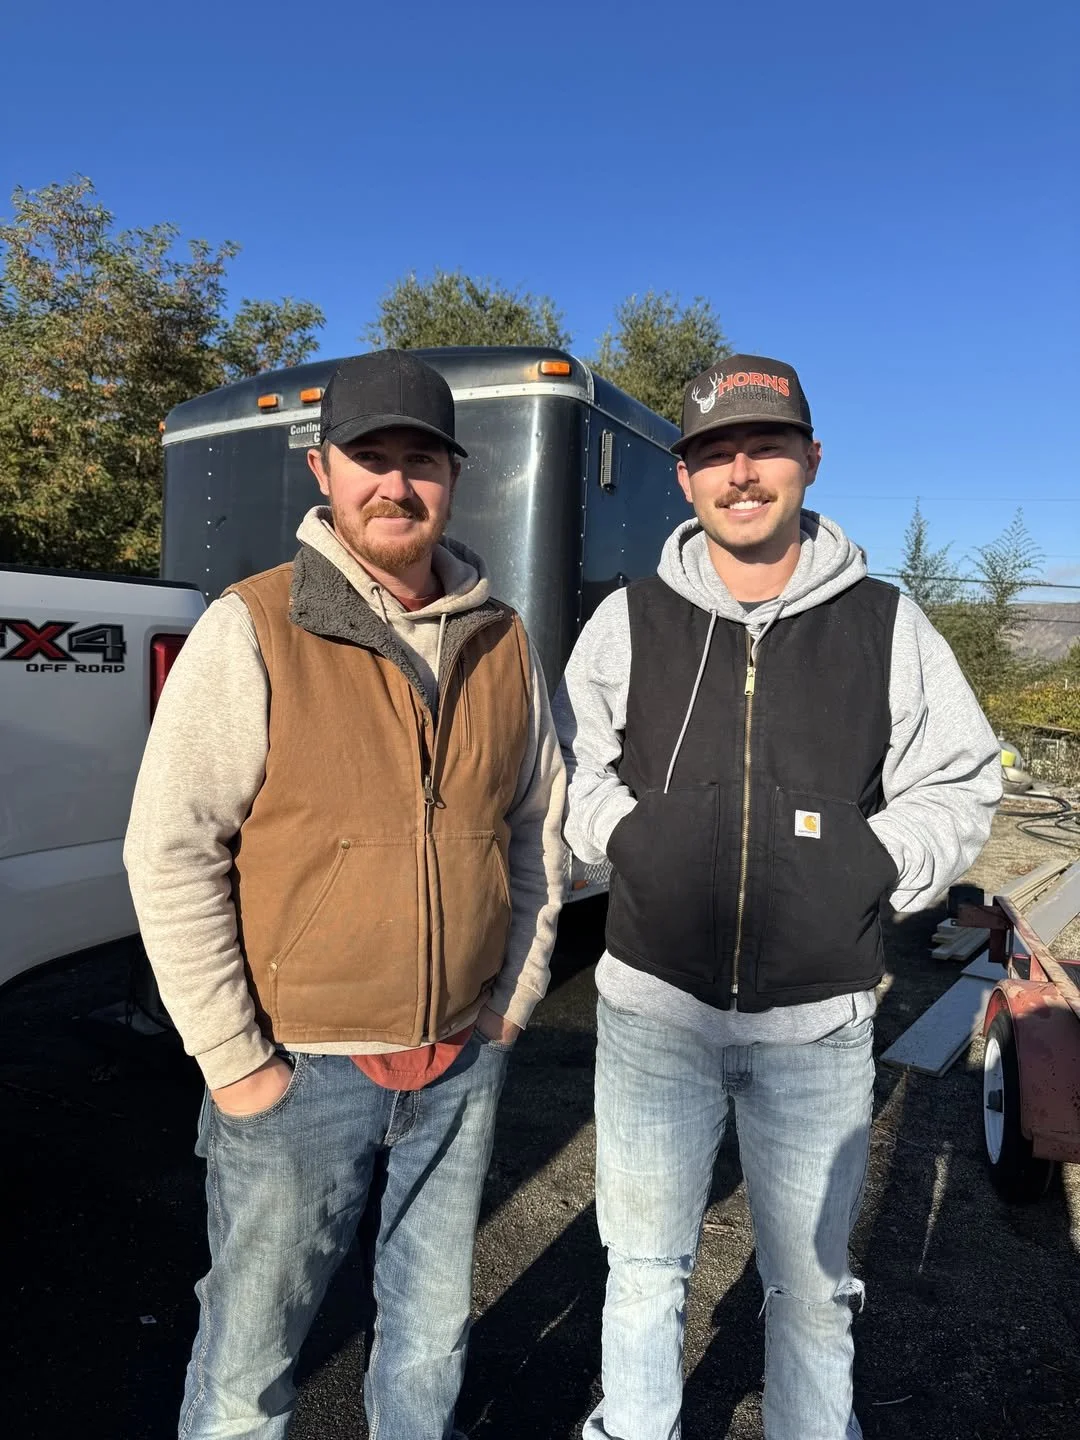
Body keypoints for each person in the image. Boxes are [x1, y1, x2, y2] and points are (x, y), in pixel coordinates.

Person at [554, 354, 1001, 1440]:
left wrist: (874, 863)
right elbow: (571, 766)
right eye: (714, 452)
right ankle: (635, 1427)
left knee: (810, 1287)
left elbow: (961, 776)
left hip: (819, 1024)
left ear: (809, 459)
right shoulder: (629, 619)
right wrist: (632, 840)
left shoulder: (888, 625)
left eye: (763, 446)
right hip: (654, 1013)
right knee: (645, 1262)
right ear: (684, 475)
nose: (739, 471)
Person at [125, 348, 567, 1440]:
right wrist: (236, 1067)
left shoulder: (504, 640)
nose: (395, 483)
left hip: (460, 1060)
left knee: (429, 1336)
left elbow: (539, 831)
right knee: (247, 1365)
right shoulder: (255, 625)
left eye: (420, 459)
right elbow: (169, 851)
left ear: (454, 479)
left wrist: (511, 999)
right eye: (371, 458)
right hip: (299, 1070)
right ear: (325, 471)